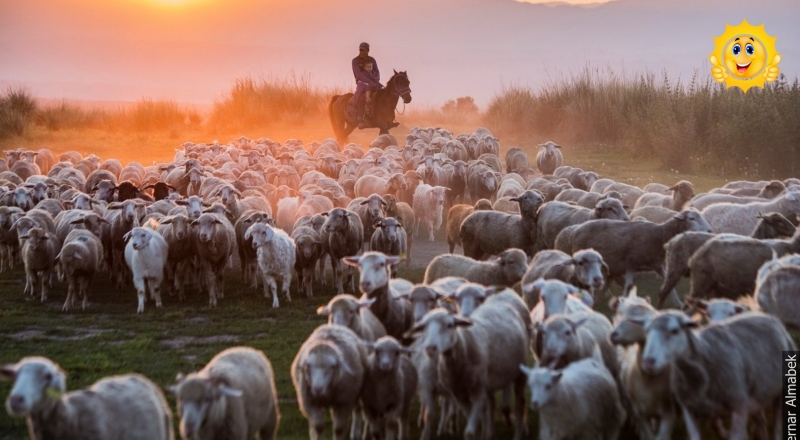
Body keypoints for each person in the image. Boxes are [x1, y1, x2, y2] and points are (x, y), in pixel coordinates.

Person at [351, 42, 382, 129]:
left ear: (368, 50)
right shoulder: (355, 60)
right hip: (362, 83)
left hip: (373, 81)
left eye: (363, 50)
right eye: (360, 49)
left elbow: (377, 71)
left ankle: (384, 116)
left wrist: (376, 79)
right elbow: (358, 74)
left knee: (383, 94)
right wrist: (368, 81)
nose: (361, 51)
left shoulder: (372, 60)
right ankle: (360, 119)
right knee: (361, 97)